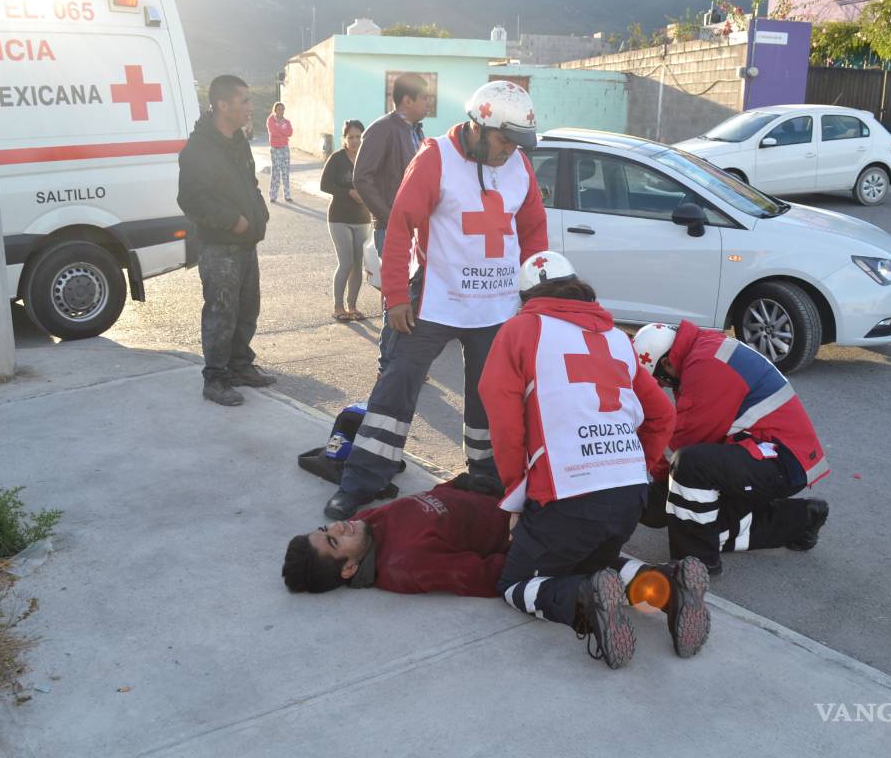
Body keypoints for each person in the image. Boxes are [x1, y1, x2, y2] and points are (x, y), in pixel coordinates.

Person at [321, 81, 550, 523]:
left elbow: (533, 232)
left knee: (491, 396)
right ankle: (361, 481)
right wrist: (394, 297)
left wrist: (534, 296)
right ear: (478, 127)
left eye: (517, 143)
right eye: (505, 140)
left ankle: (485, 477)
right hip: (434, 300)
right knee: (397, 385)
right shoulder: (435, 159)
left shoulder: (519, 165)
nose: (510, 151)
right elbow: (399, 226)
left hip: (496, 307)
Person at [477, 251, 709, 669]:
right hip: (627, 495)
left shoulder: (520, 330)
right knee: (593, 561)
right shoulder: (617, 338)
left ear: (527, 296)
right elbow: (662, 415)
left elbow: (505, 423)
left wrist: (516, 498)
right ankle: (671, 589)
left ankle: (583, 599)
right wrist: (637, 467)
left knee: (516, 582)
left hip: (568, 493)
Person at [283, 479, 712, 662]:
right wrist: (533, 555)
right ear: (349, 569)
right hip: (525, 527)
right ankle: (649, 590)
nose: (338, 525)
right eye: (334, 540)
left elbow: (435, 498)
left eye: (325, 528)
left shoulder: (365, 523)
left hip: (521, 502)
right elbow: (483, 576)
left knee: (586, 561)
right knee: (523, 583)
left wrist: (463, 484)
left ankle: (619, 590)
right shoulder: (403, 565)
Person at [631, 321, 831, 576]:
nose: (664, 387)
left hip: (780, 461)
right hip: (770, 454)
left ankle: (696, 564)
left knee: (690, 470)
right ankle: (802, 519)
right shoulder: (700, 351)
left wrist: (659, 484)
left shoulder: (705, 367)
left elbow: (687, 442)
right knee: (697, 521)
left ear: (667, 364)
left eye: (661, 380)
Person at [177, 74, 275, 406]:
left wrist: (259, 211)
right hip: (220, 247)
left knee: (247, 309)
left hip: (247, 245)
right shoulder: (199, 148)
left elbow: (250, 183)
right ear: (223, 105)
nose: (250, 107)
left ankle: (240, 366)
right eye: (244, 100)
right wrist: (233, 221)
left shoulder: (237, 141)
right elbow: (191, 199)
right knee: (221, 312)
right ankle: (216, 379)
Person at [352, 73, 429, 376]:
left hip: (416, 229)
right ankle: (389, 367)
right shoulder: (383, 130)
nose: (428, 104)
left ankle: (404, 364)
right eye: (424, 98)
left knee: (414, 298)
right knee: (397, 297)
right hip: (392, 229)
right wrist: (389, 216)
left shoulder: (416, 131)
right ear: (407, 100)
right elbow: (362, 177)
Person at [319, 119, 370, 322]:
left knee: (358, 264)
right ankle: (338, 306)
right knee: (346, 262)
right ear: (344, 139)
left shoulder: (368, 158)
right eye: (351, 137)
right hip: (339, 218)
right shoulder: (337, 159)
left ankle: (352, 306)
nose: (355, 140)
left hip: (363, 218)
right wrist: (348, 192)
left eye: (359, 137)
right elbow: (324, 185)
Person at [266, 102, 293, 203]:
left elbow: (290, 132)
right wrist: (283, 132)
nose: (281, 111)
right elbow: (273, 132)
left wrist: (281, 131)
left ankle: (287, 195)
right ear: (275, 110)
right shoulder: (271, 120)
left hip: (285, 148)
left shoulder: (287, 122)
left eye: (282, 109)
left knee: (285, 172)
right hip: (275, 148)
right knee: (276, 172)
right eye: (279, 109)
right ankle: (273, 195)